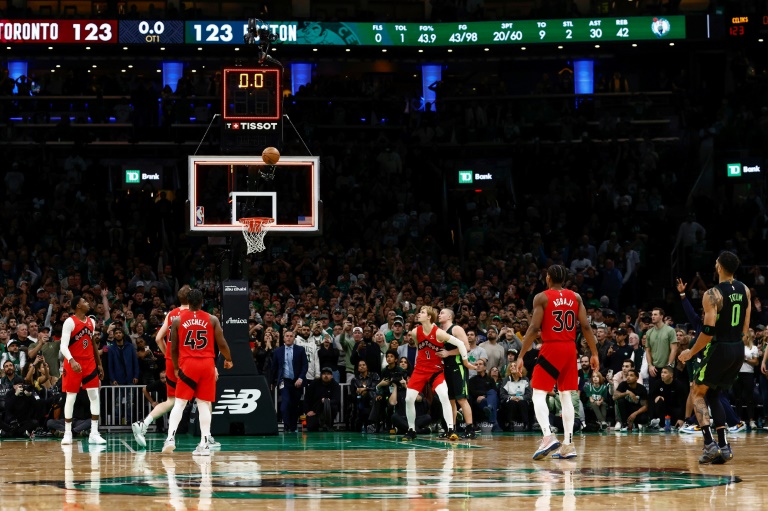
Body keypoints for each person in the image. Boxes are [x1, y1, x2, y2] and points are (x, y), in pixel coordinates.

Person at [518, 265, 599, 460]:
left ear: (548, 278)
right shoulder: (576, 297)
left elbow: (534, 328)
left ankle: (547, 436)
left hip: (552, 347)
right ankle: (568, 445)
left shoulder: (542, 297)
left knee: (538, 393)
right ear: (564, 279)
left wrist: (521, 355)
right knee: (566, 395)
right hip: (571, 349)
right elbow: (586, 327)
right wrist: (594, 352)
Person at [678, 251, 750, 464]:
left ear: (719, 266)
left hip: (720, 348)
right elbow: (745, 326)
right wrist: (736, 346)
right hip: (737, 348)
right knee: (714, 394)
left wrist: (690, 352)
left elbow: (708, 331)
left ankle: (709, 444)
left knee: (696, 391)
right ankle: (724, 447)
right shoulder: (745, 290)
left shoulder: (712, 294)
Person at [163, 289, 233, 456]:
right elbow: (222, 343)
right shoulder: (212, 319)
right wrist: (228, 359)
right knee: (203, 404)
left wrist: (175, 366)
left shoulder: (178, 320)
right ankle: (204, 444)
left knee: (179, 403)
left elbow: (173, 348)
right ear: (202, 301)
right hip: (207, 364)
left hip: (188, 364)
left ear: (188, 301)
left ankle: (170, 438)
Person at [401, 306, 474, 441]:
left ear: (429, 317)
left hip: (437, 369)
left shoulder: (440, 332)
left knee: (445, 396)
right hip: (421, 369)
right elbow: (419, 347)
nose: (418, 314)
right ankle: (411, 430)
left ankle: (452, 429)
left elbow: (462, 345)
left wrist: (466, 362)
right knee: (408, 399)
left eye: (422, 312)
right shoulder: (415, 332)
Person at [133, 285, 190, 448]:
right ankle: (199, 438)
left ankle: (144, 423)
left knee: (172, 400)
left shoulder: (172, 314)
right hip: (186, 362)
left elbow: (159, 338)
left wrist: (168, 357)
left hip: (171, 362)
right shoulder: (192, 315)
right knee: (188, 400)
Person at [59, 296, 106, 445]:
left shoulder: (91, 322)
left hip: (89, 363)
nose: (88, 303)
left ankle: (94, 432)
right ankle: (67, 433)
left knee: (94, 395)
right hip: (73, 362)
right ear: (78, 306)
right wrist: (71, 360)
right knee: (71, 397)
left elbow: (92, 344)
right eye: (84, 301)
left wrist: (99, 364)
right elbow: (63, 346)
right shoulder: (69, 322)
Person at [436, 308, 476, 439]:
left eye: (442, 313)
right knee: (450, 400)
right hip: (446, 367)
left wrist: (448, 353)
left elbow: (467, 347)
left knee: (461, 399)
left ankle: (470, 428)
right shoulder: (440, 331)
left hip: (458, 366)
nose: (439, 315)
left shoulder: (456, 329)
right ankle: (451, 429)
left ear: (449, 316)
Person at [272, 330, 307, 433]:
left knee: (294, 405)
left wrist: (300, 378)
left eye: (291, 336)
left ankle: (293, 427)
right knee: (285, 404)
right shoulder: (278, 351)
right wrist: (272, 382)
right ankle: (287, 425)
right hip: (284, 381)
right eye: (287, 336)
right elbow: (274, 367)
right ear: (284, 338)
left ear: (294, 338)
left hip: (297, 381)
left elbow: (305, 366)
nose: (288, 338)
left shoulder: (300, 350)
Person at [304, 367, 341, 431]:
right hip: (314, 410)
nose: (326, 376)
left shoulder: (335, 385)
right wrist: (308, 411)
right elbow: (307, 398)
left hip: (328, 411)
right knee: (311, 427)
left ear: (332, 376)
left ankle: (328, 424)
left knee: (328, 404)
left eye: (328, 374)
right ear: (321, 375)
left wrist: (327, 401)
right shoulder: (314, 383)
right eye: (324, 374)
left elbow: (336, 400)